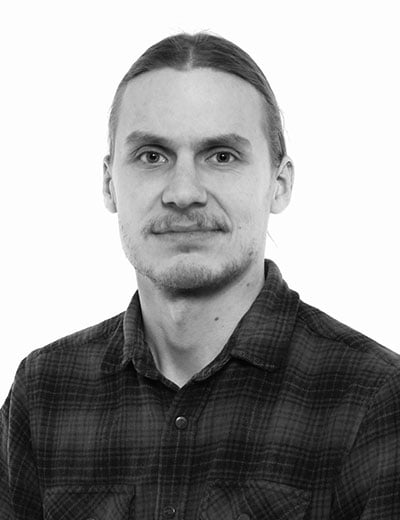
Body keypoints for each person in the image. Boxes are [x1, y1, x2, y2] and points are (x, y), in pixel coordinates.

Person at [1, 32, 399, 520]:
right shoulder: (45, 391)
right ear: (109, 184)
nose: (184, 192)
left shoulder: (374, 397)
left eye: (221, 156)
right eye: (152, 156)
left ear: (280, 183)